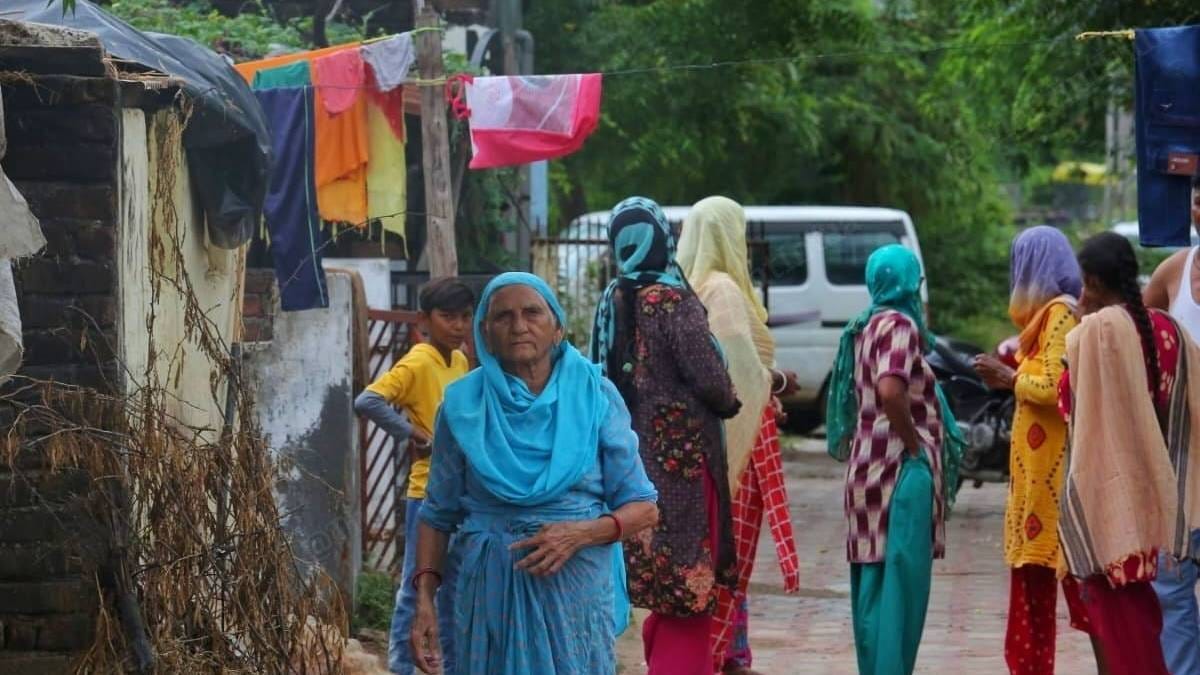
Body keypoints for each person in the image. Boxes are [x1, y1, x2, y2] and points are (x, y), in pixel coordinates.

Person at [407, 272, 660, 674]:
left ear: (557, 326)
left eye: (532, 313)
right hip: (486, 590)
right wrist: (423, 601)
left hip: (573, 589)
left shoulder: (596, 395)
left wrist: (580, 534)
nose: (519, 326)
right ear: (485, 332)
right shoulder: (462, 406)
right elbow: (437, 514)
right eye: (503, 317)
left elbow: (644, 506)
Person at [588, 197, 742, 674]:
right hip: (684, 470)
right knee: (688, 587)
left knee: (659, 582)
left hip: (632, 467)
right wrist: (731, 399)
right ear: (663, 238)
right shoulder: (673, 301)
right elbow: (713, 382)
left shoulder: (614, 299)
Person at [1055, 231, 1200, 675]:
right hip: (1172, 495)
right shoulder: (1169, 329)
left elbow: (1067, 402)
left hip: (1118, 509)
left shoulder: (1095, 334)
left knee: (1136, 629)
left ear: (1094, 283)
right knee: (1161, 616)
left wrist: (1080, 319)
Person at [826, 244, 963, 675]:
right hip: (900, 472)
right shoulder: (900, 326)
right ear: (907, 283)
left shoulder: (865, 326)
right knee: (902, 594)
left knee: (872, 592)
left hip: (866, 472)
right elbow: (890, 390)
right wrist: (917, 446)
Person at [677, 196, 800, 675]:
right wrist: (777, 383)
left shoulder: (689, 285)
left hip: (710, 440)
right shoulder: (724, 290)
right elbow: (740, 369)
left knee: (719, 549)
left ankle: (728, 650)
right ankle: (723, 653)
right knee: (732, 551)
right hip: (738, 441)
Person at [972, 226, 1081, 675]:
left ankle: (1032, 666)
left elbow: (1056, 387)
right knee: (1030, 579)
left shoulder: (1060, 314)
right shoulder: (1047, 319)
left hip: (1048, 476)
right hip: (1035, 470)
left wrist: (1008, 376)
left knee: (1036, 582)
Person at [353, 277, 475, 674]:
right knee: (417, 583)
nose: (458, 326)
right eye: (448, 317)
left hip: (459, 489)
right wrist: (412, 433)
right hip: (425, 491)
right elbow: (368, 400)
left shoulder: (458, 360)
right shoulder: (419, 359)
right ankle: (401, 665)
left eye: (465, 317)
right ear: (424, 320)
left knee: (452, 587)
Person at [1142, 174, 1200, 675]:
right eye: (1199, 201)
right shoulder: (1174, 272)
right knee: (1171, 584)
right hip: (1179, 458)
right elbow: (1134, 333)